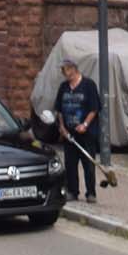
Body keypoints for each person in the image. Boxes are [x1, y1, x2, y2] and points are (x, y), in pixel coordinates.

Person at [49, 56, 103, 203]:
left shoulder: (88, 85)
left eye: (65, 69)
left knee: (88, 164)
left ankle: (91, 193)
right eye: (62, 70)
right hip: (69, 133)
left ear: (73, 69)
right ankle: (72, 191)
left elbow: (94, 108)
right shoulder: (64, 87)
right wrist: (62, 127)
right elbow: (59, 109)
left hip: (86, 133)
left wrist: (85, 124)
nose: (63, 73)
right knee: (70, 164)